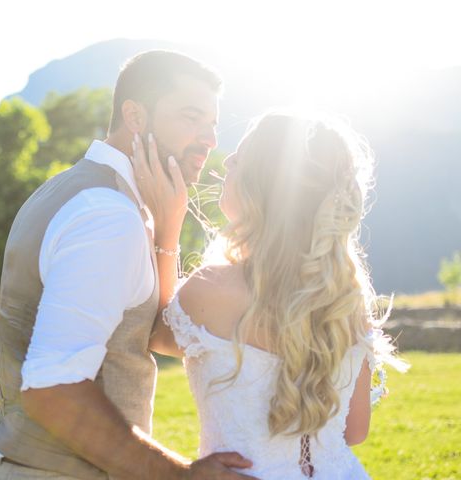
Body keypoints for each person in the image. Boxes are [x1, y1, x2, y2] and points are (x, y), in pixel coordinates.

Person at [0, 50, 257, 479]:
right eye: (190, 117)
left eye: (212, 125)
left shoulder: (72, 190)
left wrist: (168, 231)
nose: (209, 140)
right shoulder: (108, 216)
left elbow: (157, 330)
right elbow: (52, 388)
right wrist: (180, 476)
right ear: (135, 116)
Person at [134, 110, 409, 479]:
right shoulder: (344, 296)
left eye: (241, 156)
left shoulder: (211, 289)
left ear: (262, 185)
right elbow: (355, 430)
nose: (228, 159)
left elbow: (156, 333)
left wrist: (167, 231)